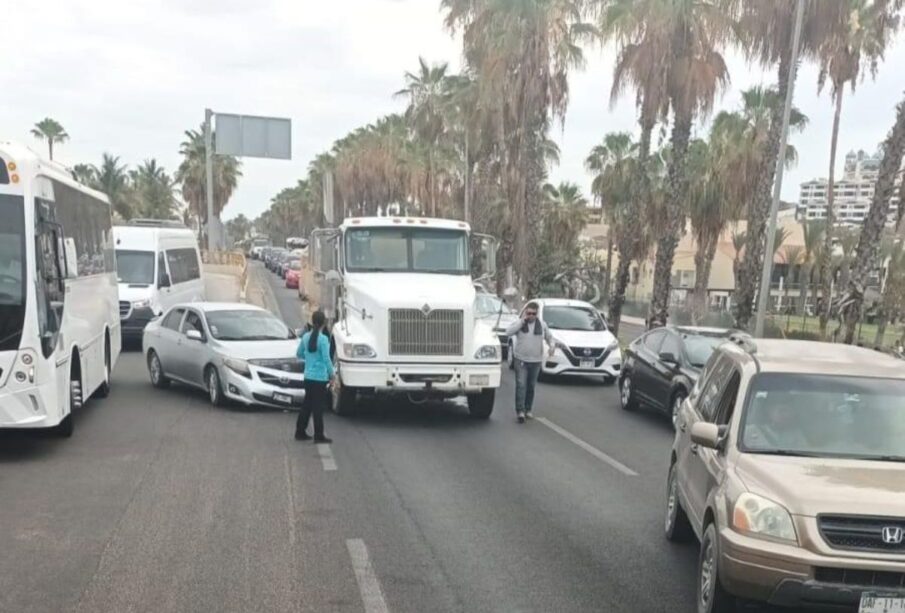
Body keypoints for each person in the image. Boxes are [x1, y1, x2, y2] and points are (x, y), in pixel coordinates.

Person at [505, 301, 555, 423]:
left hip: (536, 360)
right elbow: (508, 332)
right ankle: (520, 411)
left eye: (533, 314)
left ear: (537, 314)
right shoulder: (520, 323)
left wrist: (552, 346)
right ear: (526, 313)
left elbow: (549, 337)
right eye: (529, 313)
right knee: (521, 385)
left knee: (531, 386)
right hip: (521, 359)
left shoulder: (542, 325)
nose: (531, 316)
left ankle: (528, 409)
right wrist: (522, 322)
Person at [295, 310, 334, 443]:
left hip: (308, 377)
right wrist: (332, 374)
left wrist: (309, 358)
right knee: (318, 407)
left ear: (312, 321)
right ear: (324, 323)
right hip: (319, 379)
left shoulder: (306, 337)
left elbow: (299, 353)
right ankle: (319, 435)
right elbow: (327, 359)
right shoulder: (323, 339)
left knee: (307, 404)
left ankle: (300, 431)